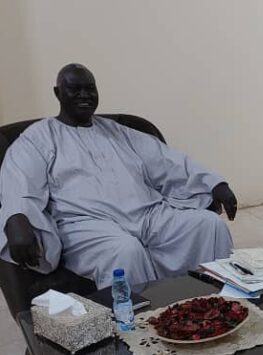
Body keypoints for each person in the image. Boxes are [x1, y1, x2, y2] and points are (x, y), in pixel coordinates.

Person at [0, 63, 237, 289]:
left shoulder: (117, 131)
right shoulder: (38, 138)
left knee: (210, 226)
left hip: (149, 215)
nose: (84, 95)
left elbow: (168, 161)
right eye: (75, 89)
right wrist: (17, 217)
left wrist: (214, 184)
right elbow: (19, 181)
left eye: (90, 89)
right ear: (57, 92)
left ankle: (216, 303)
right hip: (88, 225)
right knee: (125, 250)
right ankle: (146, 316)